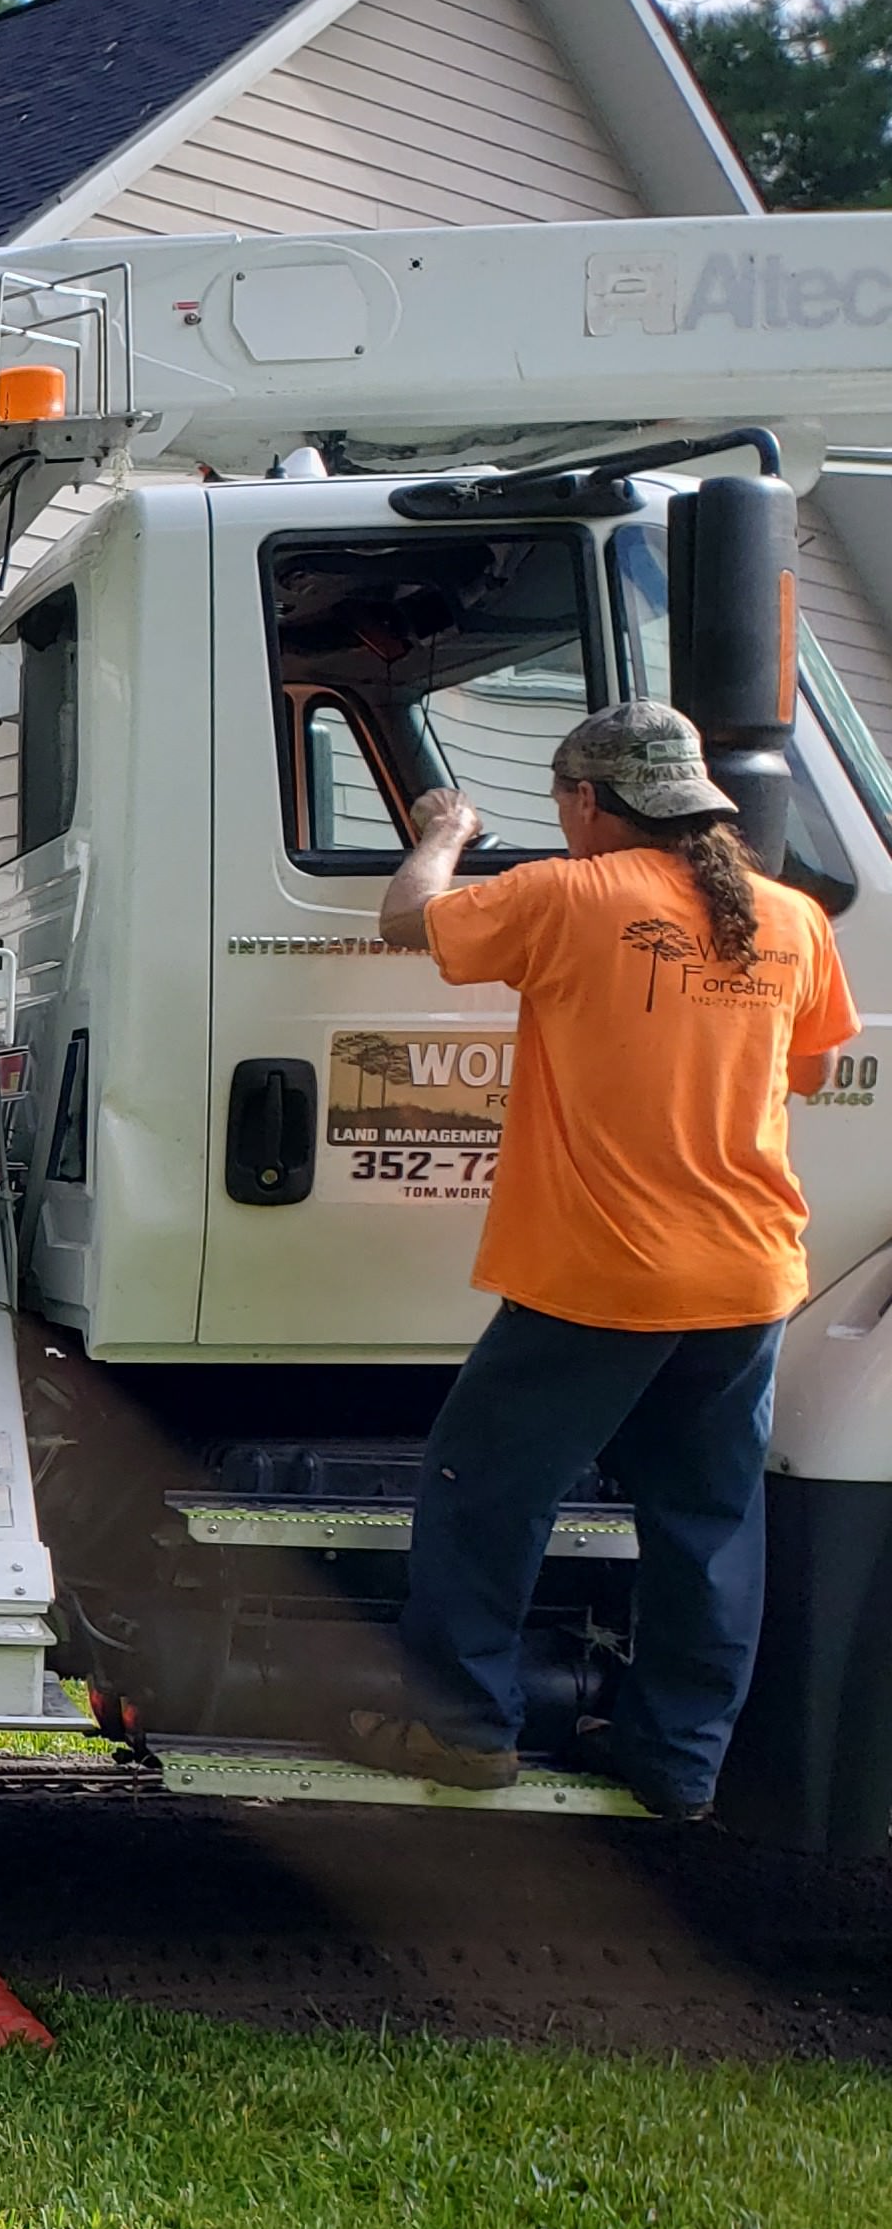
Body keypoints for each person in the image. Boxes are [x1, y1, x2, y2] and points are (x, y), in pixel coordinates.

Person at [343, 702, 856, 1816]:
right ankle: (676, 1761)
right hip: (750, 1273)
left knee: (482, 1490)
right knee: (708, 1521)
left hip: (603, 1275)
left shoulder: (568, 897)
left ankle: (463, 1727)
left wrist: (443, 828)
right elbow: (806, 1073)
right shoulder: (793, 918)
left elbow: (407, 918)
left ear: (586, 802)